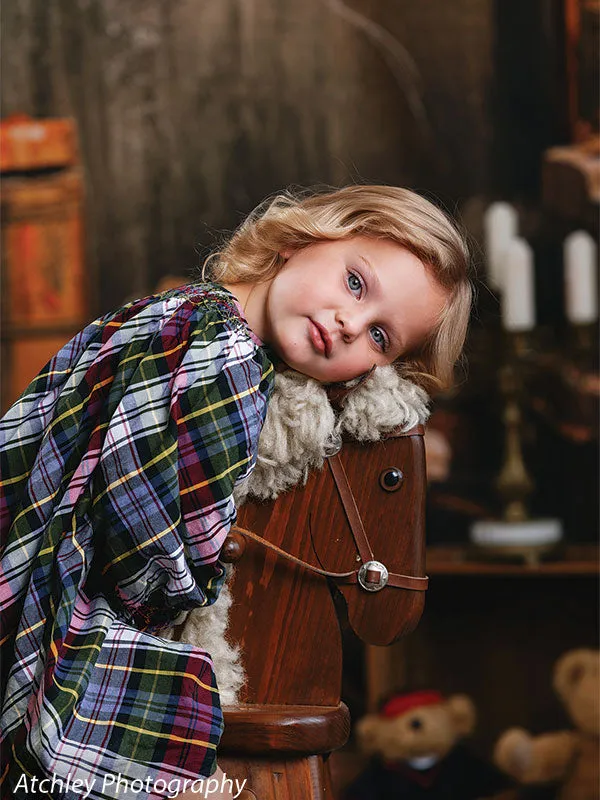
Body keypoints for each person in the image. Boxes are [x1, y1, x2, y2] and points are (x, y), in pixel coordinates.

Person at [0, 185, 472, 798]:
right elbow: (147, 534)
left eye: (380, 339)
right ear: (300, 242)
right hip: (65, 597)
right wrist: (185, 583)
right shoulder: (220, 356)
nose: (349, 324)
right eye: (356, 283)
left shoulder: (176, 314)